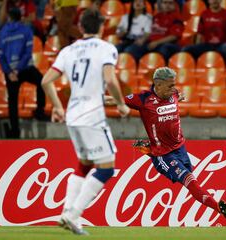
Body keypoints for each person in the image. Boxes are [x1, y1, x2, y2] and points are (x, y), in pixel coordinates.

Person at [41, 8, 130, 235]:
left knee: (85, 164)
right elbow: (109, 78)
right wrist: (120, 104)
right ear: (101, 27)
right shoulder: (106, 48)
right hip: (92, 116)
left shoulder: (68, 51)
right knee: (107, 169)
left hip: (73, 114)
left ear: (80, 27)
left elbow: (45, 81)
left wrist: (58, 107)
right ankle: (73, 214)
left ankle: (66, 211)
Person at [124, 67, 226, 220]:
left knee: (191, 181)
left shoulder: (173, 94)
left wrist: (179, 97)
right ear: (158, 84)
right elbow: (115, 99)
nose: (173, 88)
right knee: (190, 181)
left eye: (174, 85)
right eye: (170, 85)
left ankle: (150, 146)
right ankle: (218, 207)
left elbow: (177, 96)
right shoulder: (143, 99)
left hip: (181, 148)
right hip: (164, 155)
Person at [0, 7, 47, 139]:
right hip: (25, 68)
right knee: (42, 82)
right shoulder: (26, 30)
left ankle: (15, 131)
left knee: (12, 101)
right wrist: (18, 69)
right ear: (21, 18)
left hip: (10, 72)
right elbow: (27, 52)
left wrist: (9, 72)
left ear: (9, 18)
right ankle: (39, 111)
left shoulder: (2, 33)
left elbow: (0, 55)